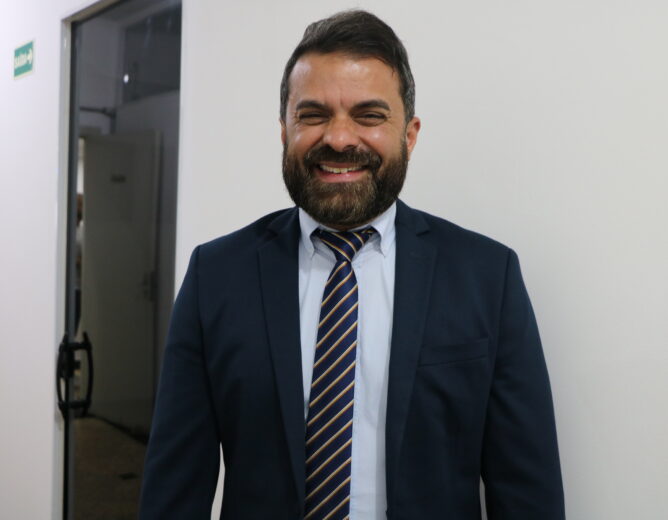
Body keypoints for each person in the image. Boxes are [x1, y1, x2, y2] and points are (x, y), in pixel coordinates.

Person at [139, 10, 564, 520]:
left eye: (369, 115)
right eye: (313, 115)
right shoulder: (216, 276)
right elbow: (174, 488)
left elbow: (527, 491)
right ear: (284, 131)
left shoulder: (488, 277)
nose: (339, 139)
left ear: (410, 134)